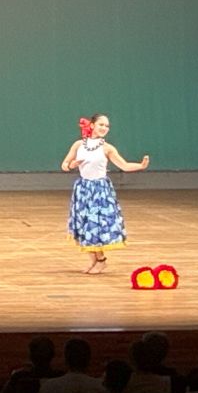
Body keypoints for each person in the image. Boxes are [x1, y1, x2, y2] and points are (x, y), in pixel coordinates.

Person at [60, 114, 148, 274]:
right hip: (83, 189)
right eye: (101, 124)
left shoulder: (107, 148)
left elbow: (124, 165)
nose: (104, 128)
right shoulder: (78, 145)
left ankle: (101, 261)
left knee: (94, 225)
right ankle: (93, 260)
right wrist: (71, 165)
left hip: (99, 191)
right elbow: (64, 165)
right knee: (83, 225)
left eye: (107, 126)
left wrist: (140, 166)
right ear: (92, 125)